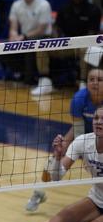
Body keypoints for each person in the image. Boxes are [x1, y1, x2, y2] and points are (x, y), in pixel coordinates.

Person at [26, 64, 103, 212]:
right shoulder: (80, 98)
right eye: (91, 79)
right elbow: (79, 130)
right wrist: (87, 153)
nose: (94, 82)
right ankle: (39, 192)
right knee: (54, 157)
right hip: (83, 131)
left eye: (99, 80)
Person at [43, 105, 103, 222]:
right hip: (97, 200)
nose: (99, 122)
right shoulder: (83, 142)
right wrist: (58, 157)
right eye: (96, 118)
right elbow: (56, 177)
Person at [46, 0, 100, 89]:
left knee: (86, 50)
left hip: (86, 45)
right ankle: (44, 80)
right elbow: (56, 28)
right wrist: (56, 39)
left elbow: (93, 34)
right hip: (67, 45)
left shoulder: (93, 10)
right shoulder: (64, 9)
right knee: (42, 47)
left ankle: (83, 83)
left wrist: (79, 43)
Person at [7, 0, 52, 93]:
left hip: (44, 38)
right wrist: (13, 36)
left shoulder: (44, 5)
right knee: (6, 46)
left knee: (32, 45)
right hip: (24, 38)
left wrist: (24, 37)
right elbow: (13, 27)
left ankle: (37, 80)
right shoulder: (16, 5)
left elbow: (41, 30)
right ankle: (17, 75)